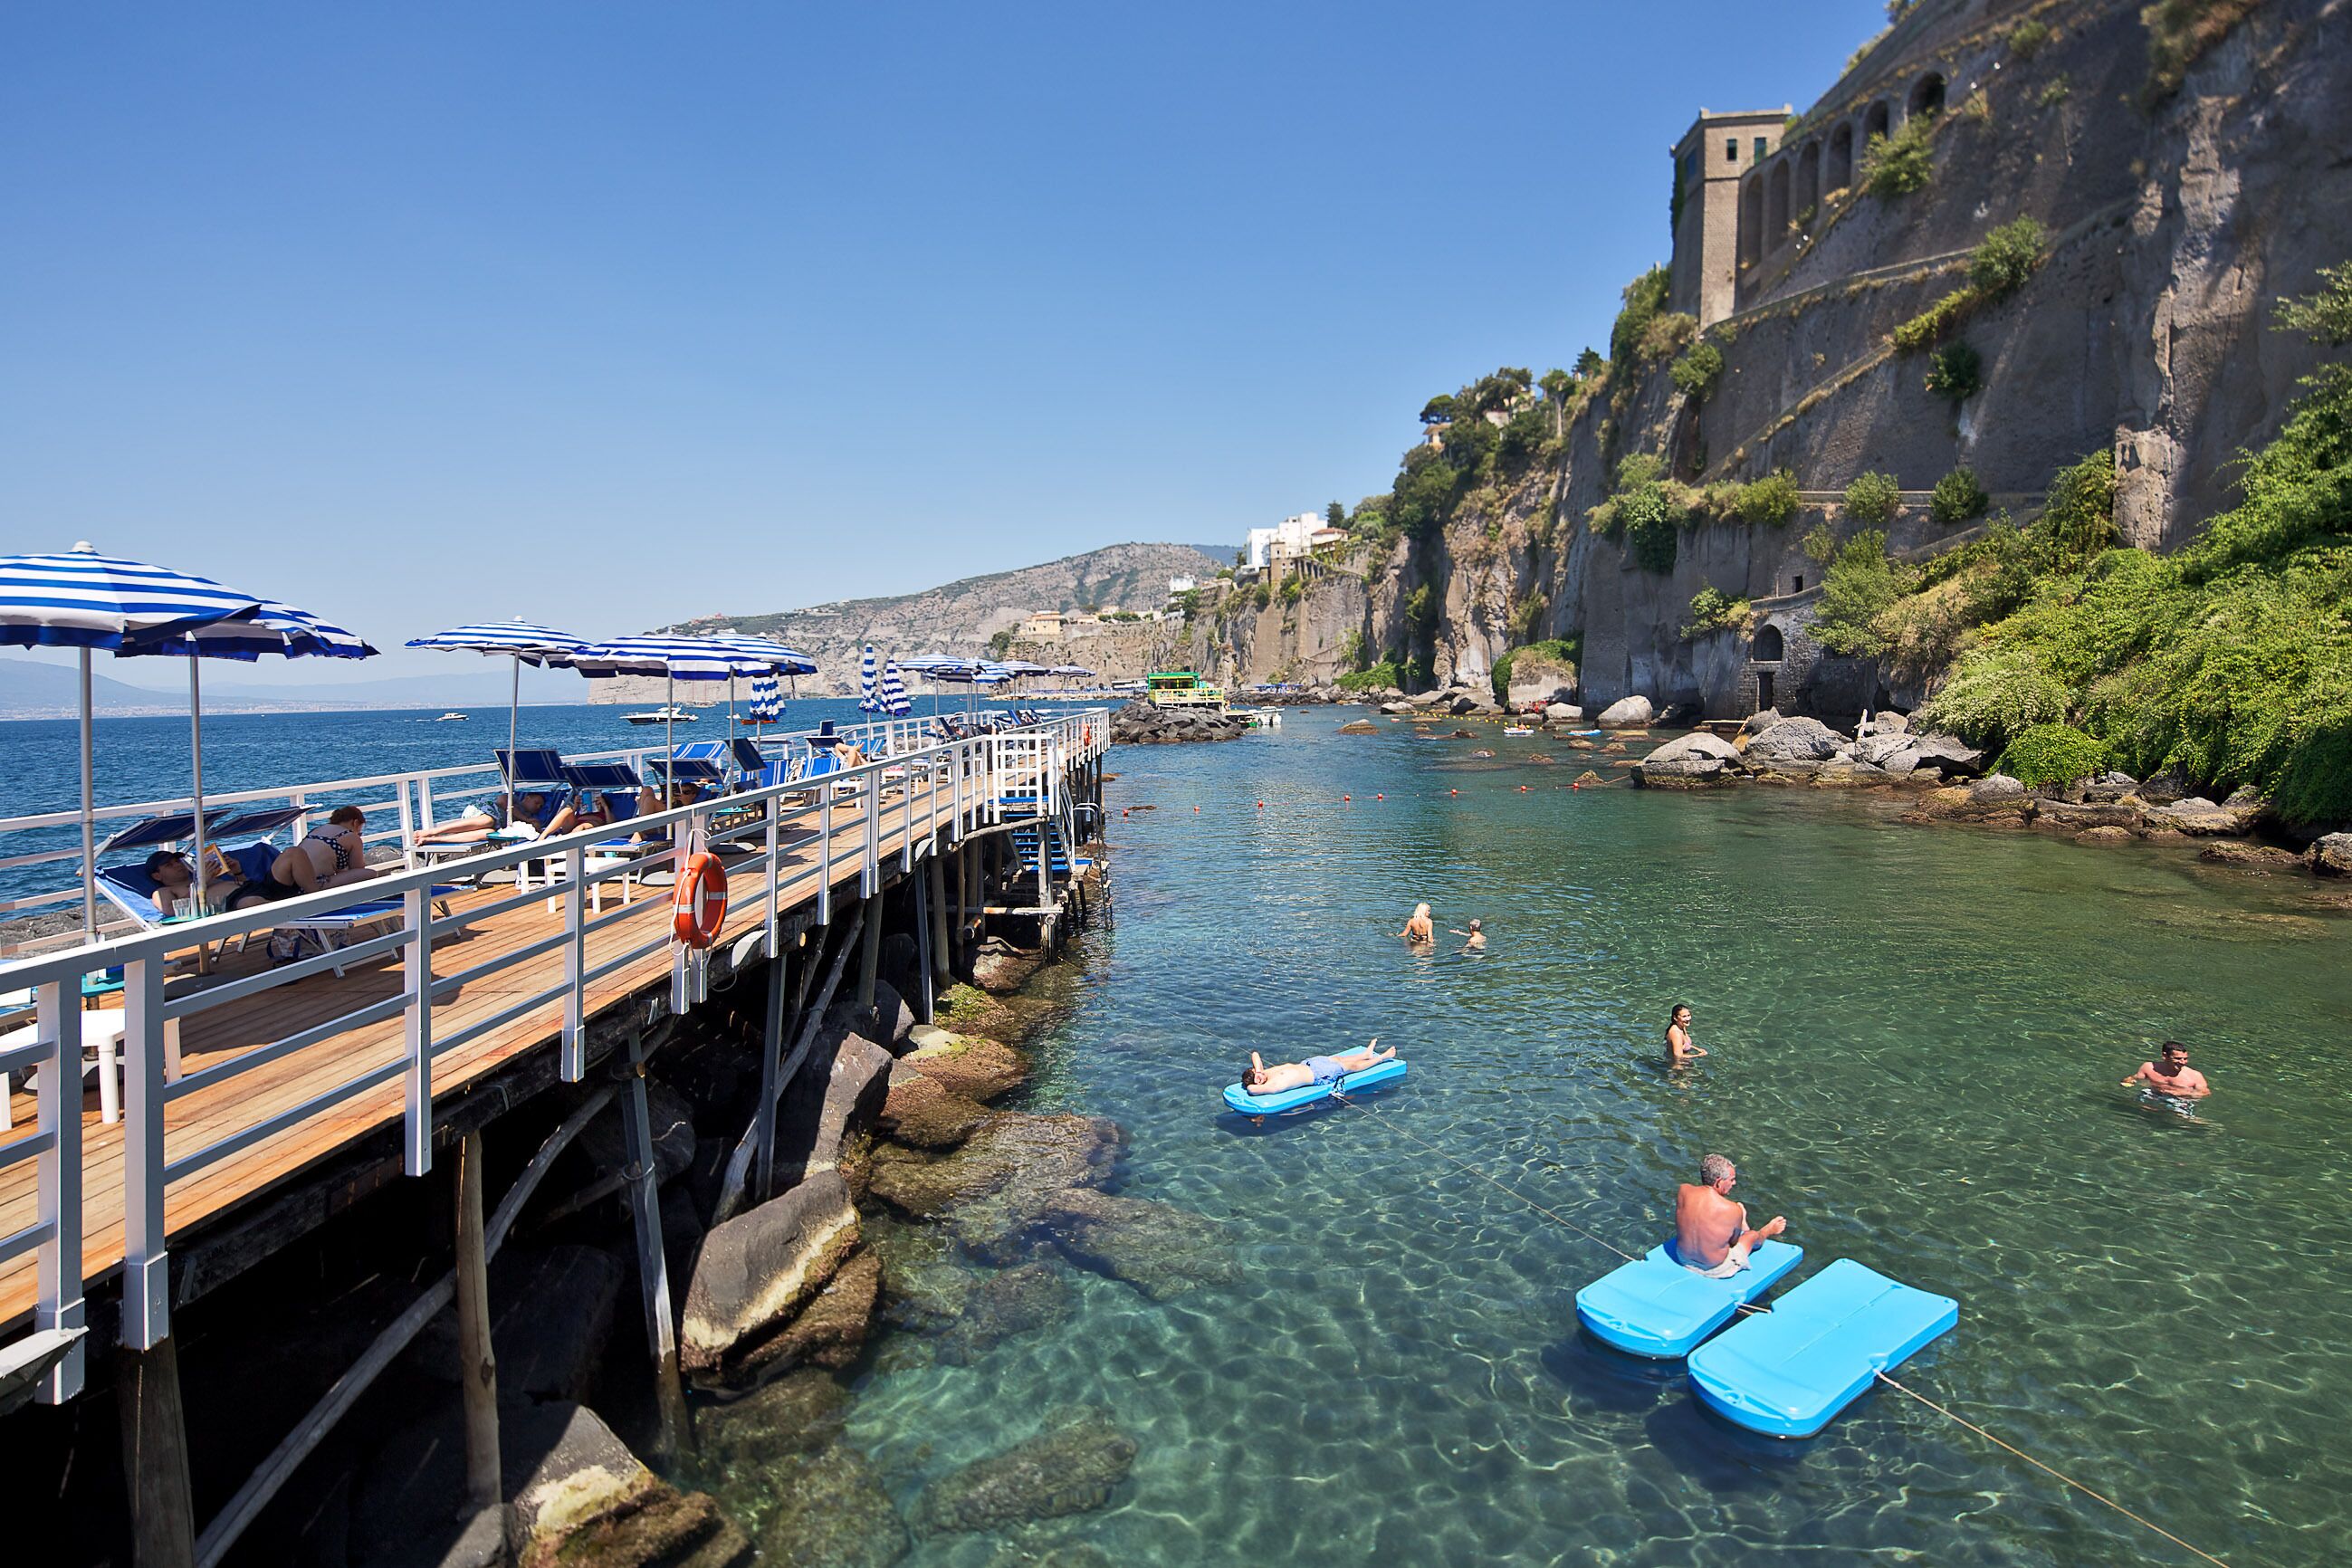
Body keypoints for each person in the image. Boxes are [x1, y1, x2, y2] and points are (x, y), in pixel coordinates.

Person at [1674, 1154, 1787, 1278]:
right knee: (1752, 1235)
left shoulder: (1683, 1190)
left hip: (1683, 1258)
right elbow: (1733, 1242)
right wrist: (1741, 1217)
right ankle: (1768, 1230)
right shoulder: (1731, 1209)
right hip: (1715, 1269)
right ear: (1719, 1181)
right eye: (1731, 1179)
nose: (1734, 1183)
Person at [263, 807, 382, 898]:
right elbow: (357, 869)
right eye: (360, 831)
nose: (359, 834)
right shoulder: (350, 836)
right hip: (315, 884)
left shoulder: (318, 829)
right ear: (355, 823)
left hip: (291, 884)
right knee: (369, 874)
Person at [1237, 1038, 1396, 1097]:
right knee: (1350, 1067)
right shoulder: (1270, 1085)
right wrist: (1256, 1082)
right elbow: (1251, 1090)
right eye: (1258, 1077)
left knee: (1339, 1058)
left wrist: (1257, 1071)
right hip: (1319, 1075)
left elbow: (1255, 1054)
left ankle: (1366, 1054)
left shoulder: (1264, 1073)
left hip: (1310, 1063)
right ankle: (1383, 1058)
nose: (1260, 1074)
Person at [414, 791, 547, 846]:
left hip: (494, 826)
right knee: (488, 821)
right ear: (527, 798)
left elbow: (536, 829)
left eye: (540, 806)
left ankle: (431, 839)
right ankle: (432, 831)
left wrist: (532, 822)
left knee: (486, 834)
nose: (538, 807)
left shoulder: (530, 817)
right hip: (481, 812)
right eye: (536, 802)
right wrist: (524, 818)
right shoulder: (514, 800)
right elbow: (503, 800)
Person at [2123, 1041, 2211, 1099]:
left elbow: (2205, 1093)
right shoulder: (2148, 1067)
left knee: (2183, 1119)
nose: (2183, 1062)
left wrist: (2179, 1093)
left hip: (2179, 1101)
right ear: (2165, 1056)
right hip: (2152, 1094)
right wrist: (2128, 1081)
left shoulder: (2195, 1075)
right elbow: (2136, 1078)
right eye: (2178, 1058)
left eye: (2185, 1059)